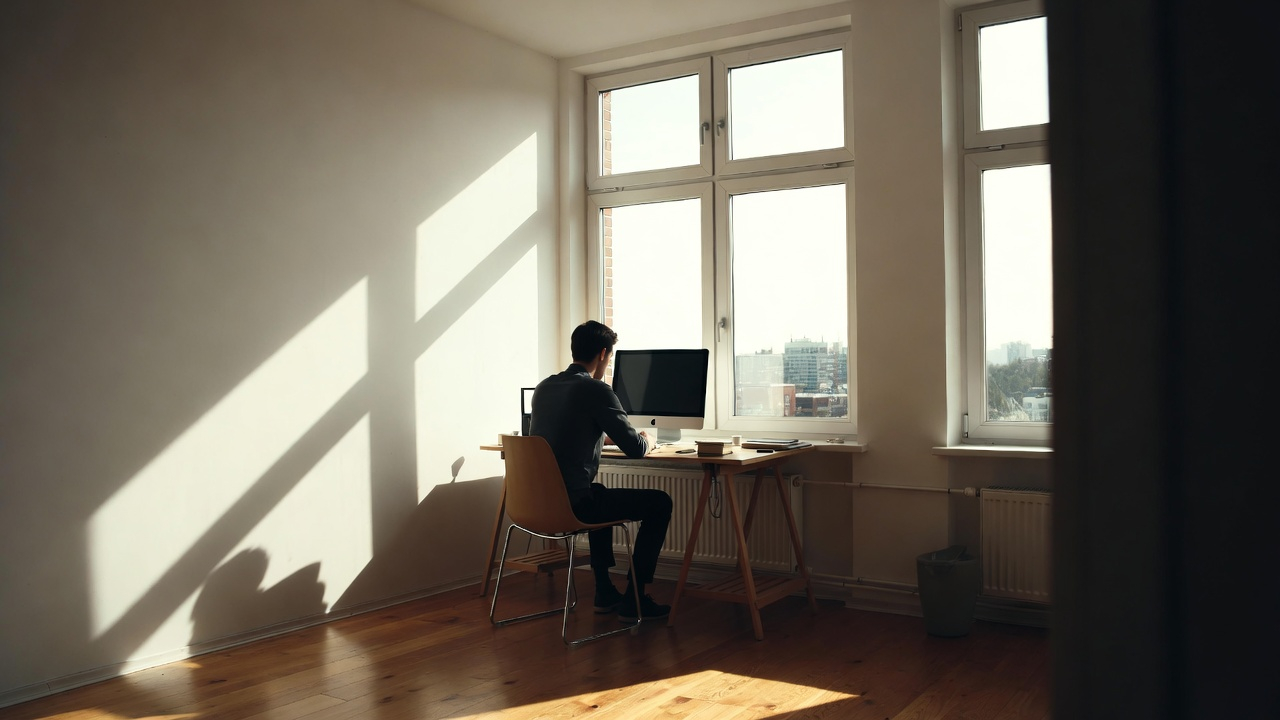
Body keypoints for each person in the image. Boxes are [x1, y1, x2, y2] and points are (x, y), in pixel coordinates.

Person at [528, 320, 673, 621]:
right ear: (604, 354)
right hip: (575, 504)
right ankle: (635, 598)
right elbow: (634, 448)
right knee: (660, 503)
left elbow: (562, 433)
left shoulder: (544, 388)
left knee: (600, 493)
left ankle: (605, 591)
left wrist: (601, 435)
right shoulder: (595, 390)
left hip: (540, 503)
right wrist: (648, 440)